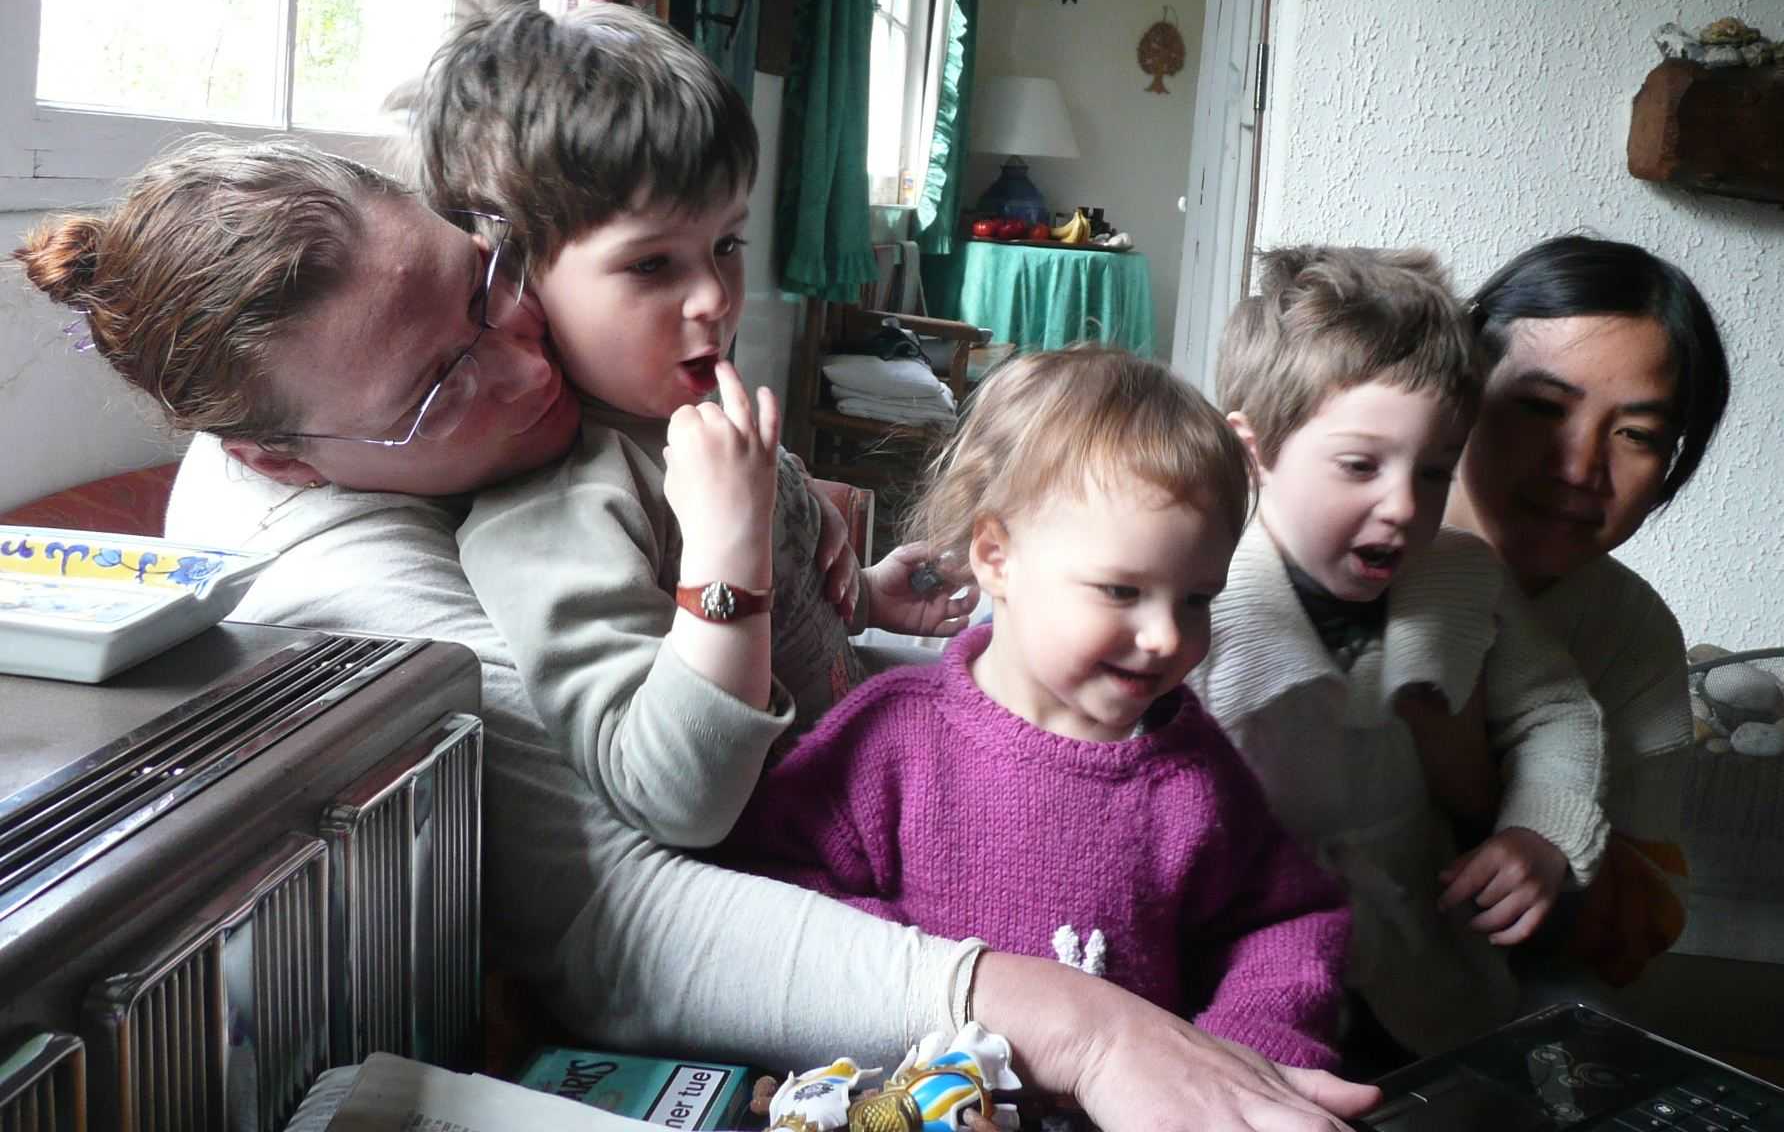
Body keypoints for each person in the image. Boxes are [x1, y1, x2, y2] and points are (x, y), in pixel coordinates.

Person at [14, 140, 1379, 1132]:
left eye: (484, 280)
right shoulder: (339, 584)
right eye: (439, 387)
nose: (527, 361)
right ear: (283, 457)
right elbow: (619, 921)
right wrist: (1082, 1026)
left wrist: (844, 589)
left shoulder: (493, 400)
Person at [397, 1, 970, 852]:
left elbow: (783, 628)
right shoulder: (557, 510)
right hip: (806, 852)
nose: (714, 297)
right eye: (652, 263)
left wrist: (867, 594)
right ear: (510, 282)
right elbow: (670, 794)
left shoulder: (686, 418)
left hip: (873, 768)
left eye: (727, 244)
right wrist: (729, 546)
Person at [725, 346, 1350, 1070]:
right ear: (997, 557)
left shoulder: (1193, 771)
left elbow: (1287, 924)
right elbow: (767, 891)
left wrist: (1241, 1057)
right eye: (1121, 591)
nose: (1166, 636)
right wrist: (905, 963)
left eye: (1196, 599)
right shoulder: (892, 737)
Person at [1193, 246, 1608, 1060]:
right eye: (1360, 466)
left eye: (1434, 472)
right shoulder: (1195, 587)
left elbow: (1555, 709)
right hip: (1239, 974)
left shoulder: (1464, 577)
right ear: (1254, 450)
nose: (1402, 506)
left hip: (1424, 961)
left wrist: (1541, 830)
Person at [1439, 233, 1730, 987]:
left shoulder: (1631, 632)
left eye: (1636, 435)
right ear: (1463, 390)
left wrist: (1492, 795)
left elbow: (1642, 926)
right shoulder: (1345, 542)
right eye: (1541, 407)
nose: (1578, 468)